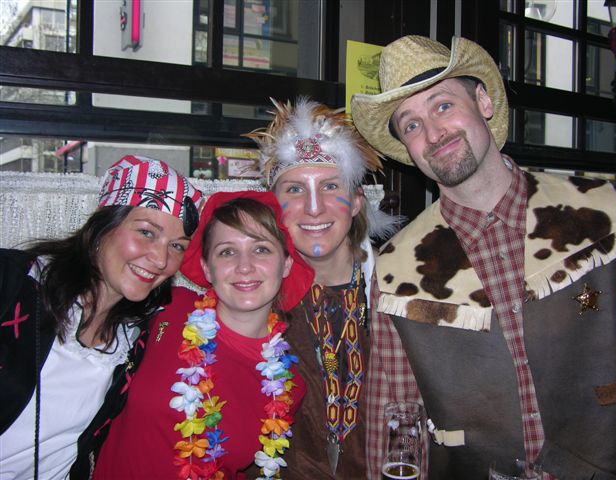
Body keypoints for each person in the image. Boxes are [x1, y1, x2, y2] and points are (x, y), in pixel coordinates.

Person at [351, 35, 616, 479]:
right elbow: (395, 422)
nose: (433, 134)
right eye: (411, 125)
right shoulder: (395, 271)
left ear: (483, 102)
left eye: (443, 105)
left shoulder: (602, 215)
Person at [0, 154, 203, 480]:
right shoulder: (12, 284)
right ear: (102, 224)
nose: (160, 259)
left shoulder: (136, 337)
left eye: (177, 246)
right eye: (146, 232)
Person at [93, 190, 315, 479]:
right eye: (227, 252)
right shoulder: (167, 309)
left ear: (286, 264)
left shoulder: (287, 387)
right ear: (206, 268)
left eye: (261, 249)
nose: (244, 266)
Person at [245, 97, 401, 478]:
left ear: (356, 202)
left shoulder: (401, 287)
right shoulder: (252, 298)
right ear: (274, 206)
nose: (314, 208)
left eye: (330, 186)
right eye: (294, 190)